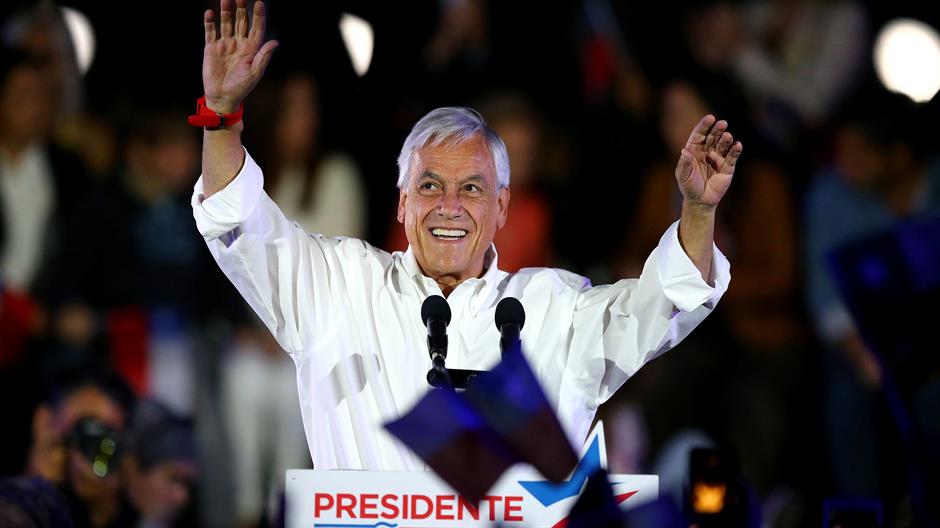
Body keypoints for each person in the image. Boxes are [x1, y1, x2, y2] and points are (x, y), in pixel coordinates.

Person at [191, 0, 739, 470]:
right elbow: (237, 219)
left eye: (472, 189)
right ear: (403, 202)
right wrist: (221, 114)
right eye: (430, 185)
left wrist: (696, 211)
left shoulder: (553, 306)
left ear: (502, 206)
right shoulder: (339, 285)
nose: (449, 206)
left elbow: (662, 306)